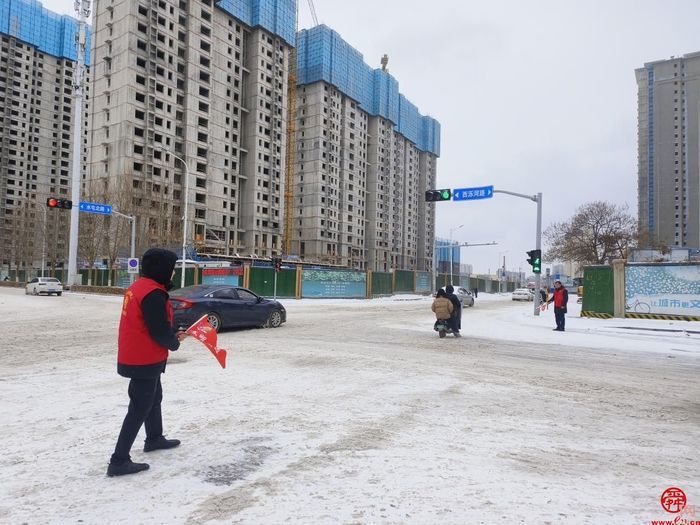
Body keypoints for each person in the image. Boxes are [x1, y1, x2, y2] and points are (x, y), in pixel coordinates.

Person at [107, 248, 188, 477]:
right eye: (172, 269)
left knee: (154, 397)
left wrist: (171, 332)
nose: (173, 274)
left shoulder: (139, 288)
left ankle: (154, 437)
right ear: (162, 269)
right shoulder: (153, 293)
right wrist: (174, 341)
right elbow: (159, 332)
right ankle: (119, 460)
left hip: (137, 354)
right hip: (144, 357)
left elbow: (151, 323)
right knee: (139, 407)